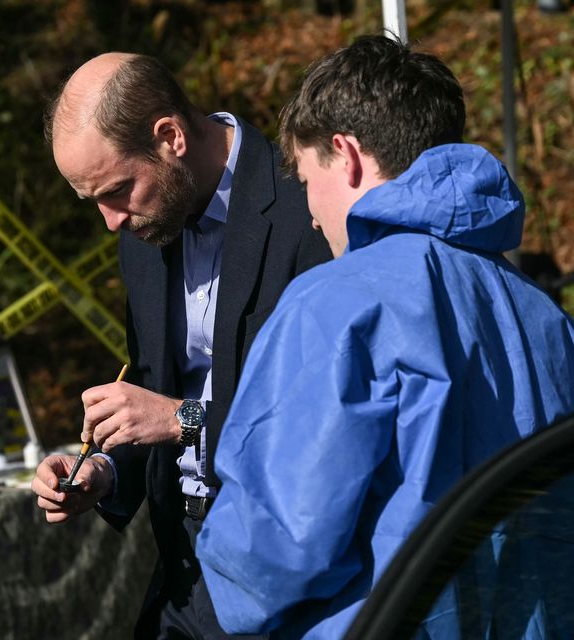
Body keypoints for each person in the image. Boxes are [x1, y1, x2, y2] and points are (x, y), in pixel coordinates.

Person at [195, 34, 574, 638]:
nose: (312, 216)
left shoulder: (334, 304)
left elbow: (272, 551)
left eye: (306, 181)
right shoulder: (543, 314)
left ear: (344, 154)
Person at [30, 52, 331, 638]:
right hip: (183, 566)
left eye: (116, 190)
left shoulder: (308, 209)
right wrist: (105, 470)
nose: (109, 221)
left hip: (283, 571)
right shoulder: (145, 227)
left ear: (170, 136)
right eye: (92, 200)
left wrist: (181, 421)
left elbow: (318, 421)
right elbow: (151, 393)